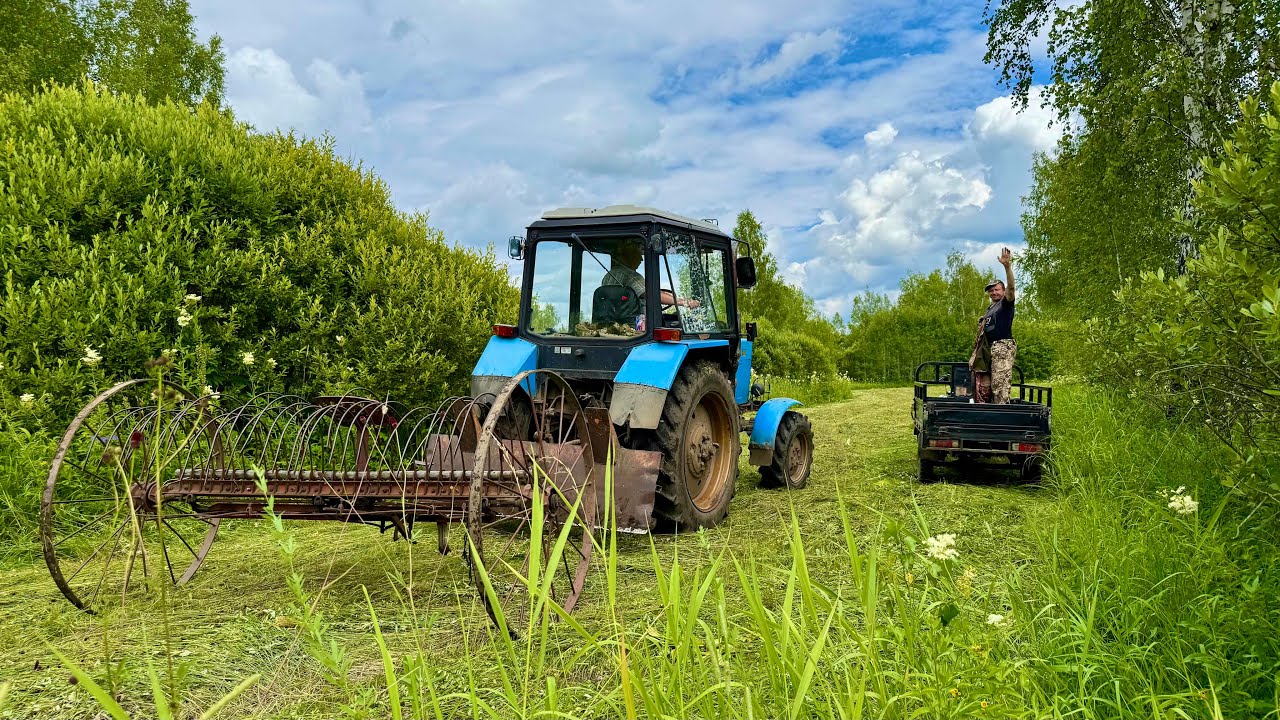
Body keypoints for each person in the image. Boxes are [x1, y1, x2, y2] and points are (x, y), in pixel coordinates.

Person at [969, 247, 1017, 404]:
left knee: (1000, 386)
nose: (994, 293)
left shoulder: (1005, 304)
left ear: (1002, 291)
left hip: (1002, 346)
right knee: (986, 384)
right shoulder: (990, 309)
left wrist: (1007, 266)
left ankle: (1003, 418)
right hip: (989, 349)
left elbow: (1011, 288)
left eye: (997, 289)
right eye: (991, 291)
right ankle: (988, 414)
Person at [602, 242, 699, 309]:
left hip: (614, 322)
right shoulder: (631, 276)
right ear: (629, 255)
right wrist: (684, 302)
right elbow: (650, 294)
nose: (641, 259)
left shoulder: (608, 276)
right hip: (634, 324)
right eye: (639, 254)